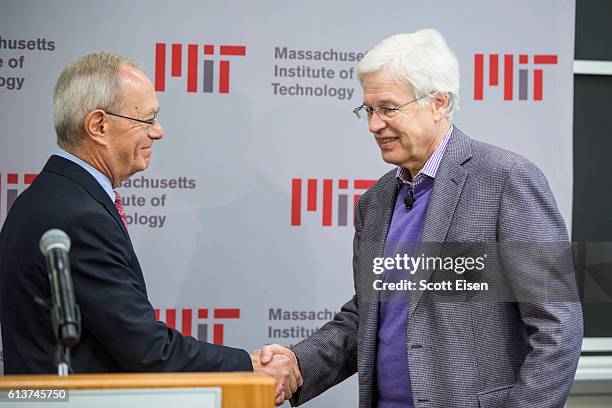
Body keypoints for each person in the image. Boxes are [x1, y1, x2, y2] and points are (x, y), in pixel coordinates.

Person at [255, 29, 583, 407]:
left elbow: (558, 327)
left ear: (438, 103)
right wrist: (296, 364)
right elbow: (369, 316)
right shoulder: (375, 201)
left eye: (388, 108)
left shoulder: (507, 180)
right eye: (369, 110)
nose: (374, 125)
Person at [0, 52, 300, 404]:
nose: (158, 132)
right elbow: (147, 350)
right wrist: (250, 365)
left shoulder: (45, 197)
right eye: (148, 119)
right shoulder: (80, 217)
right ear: (98, 126)